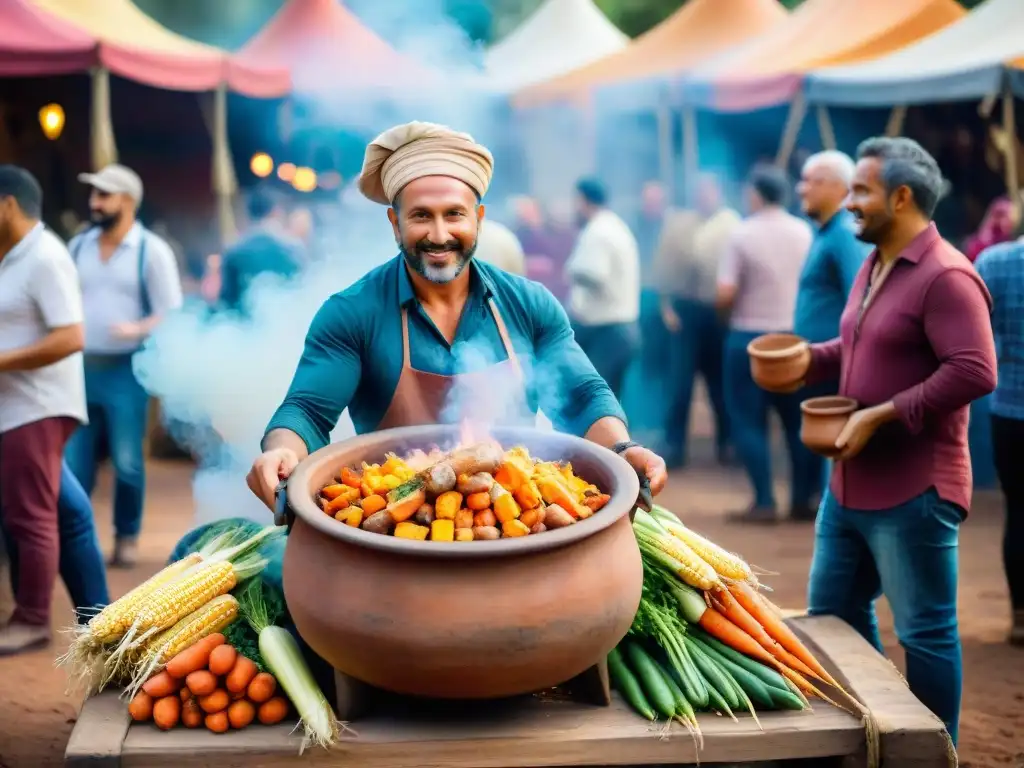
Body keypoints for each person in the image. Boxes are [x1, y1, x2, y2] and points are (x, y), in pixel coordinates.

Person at [247, 121, 666, 512]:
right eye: (420, 216)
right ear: (395, 223)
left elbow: (582, 396)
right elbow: (306, 410)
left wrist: (622, 449)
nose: (440, 234)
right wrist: (282, 450)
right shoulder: (352, 313)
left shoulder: (528, 304)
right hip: (393, 528)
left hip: (513, 520)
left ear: (478, 219)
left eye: (454, 214)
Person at [778, 137, 996, 745]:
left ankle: (934, 750)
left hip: (915, 489)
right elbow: (860, 345)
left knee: (925, 632)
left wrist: (881, 414)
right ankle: (890, 728)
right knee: (833, 617)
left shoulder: (947, 276)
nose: (849, 203)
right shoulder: (873, 263)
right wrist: (810, 360)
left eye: (861, 191)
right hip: (848, 485)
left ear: (901, 197)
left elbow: (977, 370)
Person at [65, 163, 184, 568]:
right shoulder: (78, 245)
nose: (94, 202)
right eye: (93, 194)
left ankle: (126, 536)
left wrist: (137, 327)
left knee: (128, 461)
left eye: (104, 195)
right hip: (79, 368)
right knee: (74, 464)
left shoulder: (151, 251)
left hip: (126, 371)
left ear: (128, 201)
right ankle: (77, 543)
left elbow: (172, 312)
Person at [0, 165, 88, 655]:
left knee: (30, 515)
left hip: (35, 407)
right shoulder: (15, 257)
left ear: (7, 205)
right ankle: (94, 612)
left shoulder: (44, 257)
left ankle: (32, 617)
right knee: (56, 509)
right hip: (16, 408)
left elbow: (71, 336)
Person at [717, 166, 816, 523]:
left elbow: (725, 292)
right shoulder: (805, 231)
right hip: (794, 339)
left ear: (756, 194)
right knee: (797, 423)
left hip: (749, 337)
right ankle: (802, 499)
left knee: (748, 421)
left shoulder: (741, 233)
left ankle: (764, 500)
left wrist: (724, 317)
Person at [793, 151, 871, 508]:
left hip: (835, 360)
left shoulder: (843, 234)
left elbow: (861, 300)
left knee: (834, 443)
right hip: (821, 359)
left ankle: (837, 510)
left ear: (838, 187)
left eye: (811, 180)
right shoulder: (826, 231)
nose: (801, 188)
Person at [655, 173, 740, 468]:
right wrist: (666, 306)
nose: (704, 196)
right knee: (680, 384)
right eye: (699, 191)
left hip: (719, 312)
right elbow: (663, 269)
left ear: (719, 193)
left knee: (720, 384)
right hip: (685, 311)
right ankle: (674, 446)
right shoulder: (679, 224)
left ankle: (728, 443)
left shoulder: (732, 225)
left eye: (709, 191)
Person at [975, 234, 1024, 645]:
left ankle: (1021, 615)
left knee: (1019, 510)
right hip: (1007, 404)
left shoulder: (994, 262)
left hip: (1009, 408)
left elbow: (975, 334)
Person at [565, 177, 641, 399]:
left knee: (594, 401)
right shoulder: (613, 225)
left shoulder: (598, 231)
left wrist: (572, 272)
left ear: (583, 201)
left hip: (607, 332)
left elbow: (593, 273)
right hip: (620, 330)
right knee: (608, 400)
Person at [219, 189, 305, 314]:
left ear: (248, 214)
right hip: (285, 323)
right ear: (276, 211)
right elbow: (301, 291)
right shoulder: (293, 248)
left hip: (246, 326)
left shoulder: (234, 250)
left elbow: (227, 300)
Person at [964, 196, 1018, 263]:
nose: (1002, 221)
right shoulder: (977, 245)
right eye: (998, 215)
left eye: (1005, 216)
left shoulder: (1017, 246)